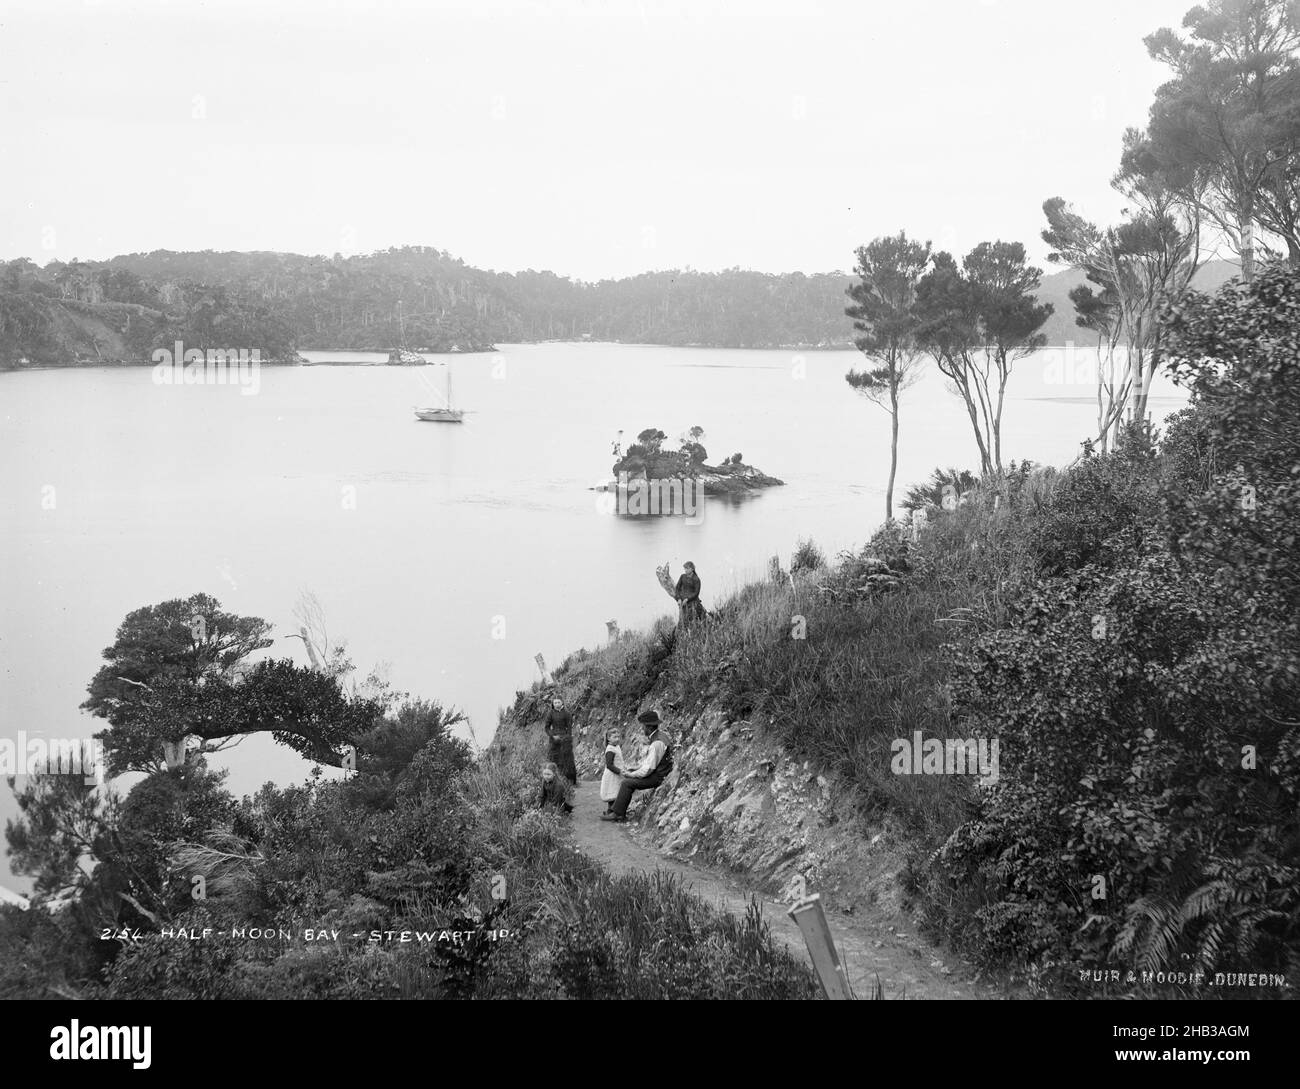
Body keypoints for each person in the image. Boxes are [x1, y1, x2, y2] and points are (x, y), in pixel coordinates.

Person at [601, 710, 673, 823]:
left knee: (627, 782)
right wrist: (636, 768)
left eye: (643, 726)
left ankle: (618, 814)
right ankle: (616, 811)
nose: (642, 729)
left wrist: (631, 774)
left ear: (648, 727)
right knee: (629, 780)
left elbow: (648, 770)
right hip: (661, 771)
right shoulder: (661, 735)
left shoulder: (656, 743)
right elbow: (652, 762)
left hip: (658, 776)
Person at [542, 696, 578, 787]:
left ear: (562, 703)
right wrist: (553, 736)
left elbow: (569, 727)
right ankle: (554, 780)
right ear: (553, 704)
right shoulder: (550, 713)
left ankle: (570, 780)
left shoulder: (567, 713)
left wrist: (567, 738)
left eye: (558, 702)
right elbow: (547, 727)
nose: (557, 704)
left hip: (565, 738)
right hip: (554, 739)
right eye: (555, 702)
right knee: (554, 759)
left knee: (567, 760)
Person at [599, 728, 626, 814]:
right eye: (614, 737)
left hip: (617, 773)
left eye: (618, 737)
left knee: (617, 792)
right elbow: (609, 765)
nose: (617, 739)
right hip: (612, 775)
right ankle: (610, 811)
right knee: (612, 793)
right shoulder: (610, 749)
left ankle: (614, 811)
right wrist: (619, 771)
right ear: (608, 738)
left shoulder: (617, 747)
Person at [675, 561, 705, 628]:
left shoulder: (696, 579)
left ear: (692, 569)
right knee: (682, 620)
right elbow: (677, 588)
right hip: (682, 603)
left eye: (687, 568)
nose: (685, 570)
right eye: (685, 568)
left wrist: (687, 599)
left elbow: (696, 593)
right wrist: (678, 599)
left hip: (692, 602)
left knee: (692, 620)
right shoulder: (682, 577)